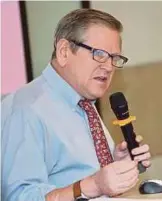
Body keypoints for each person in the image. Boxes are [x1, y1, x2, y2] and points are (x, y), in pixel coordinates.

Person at [1, 9, 151, 201]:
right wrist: (94, 185)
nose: (108, 67)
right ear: (64, 51)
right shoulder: (26, 110)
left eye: (114, 58)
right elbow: (18, 197)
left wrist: (115, 166)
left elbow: (77, 175)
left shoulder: (83, 101)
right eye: (99, 54)